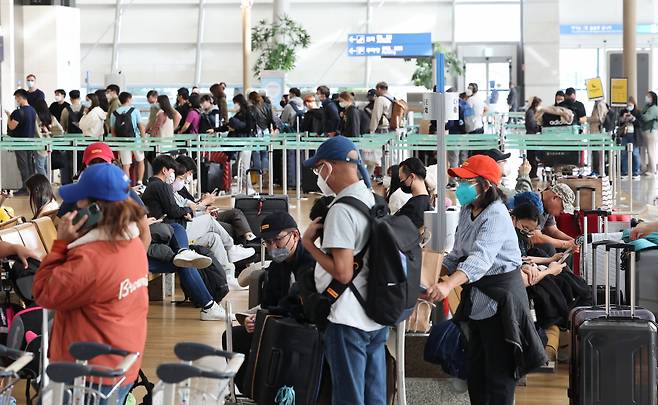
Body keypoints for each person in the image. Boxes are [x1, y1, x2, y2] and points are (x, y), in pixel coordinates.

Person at [424, 155, 546, 405]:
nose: (460, 186)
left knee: (499, 379)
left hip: (501, 303)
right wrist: (431, 276)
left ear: (485, 186)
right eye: (459, 180)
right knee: (477, 374)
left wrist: (448, 284)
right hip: (477, 303)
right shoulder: (467, 211)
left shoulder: (497, 215)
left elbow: (479, 260)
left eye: (466, 181)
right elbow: (457, 254)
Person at [33, 163, 149, 403]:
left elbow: (44, 292)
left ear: (95, 208)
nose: (75, 206)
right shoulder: (133, 245)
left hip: (89, 372)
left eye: (81, 201)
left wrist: (61, 244)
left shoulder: (92, 258)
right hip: (122, 363)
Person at [301, 135, 384, 405]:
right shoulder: (373, 200)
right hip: (375, 312)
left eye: (317, 169)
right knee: (374, 397)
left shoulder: (341, 209)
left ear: (328, 167)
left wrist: (309, 245)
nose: (318, 176)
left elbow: (343, 272)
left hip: (348, 318)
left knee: (348, 397)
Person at [222, 212, 315, 393]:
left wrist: (267, 317)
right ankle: (252, 389)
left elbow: (302, 305)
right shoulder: (276, 266)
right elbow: (268, 303)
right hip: (278, 321)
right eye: (267, 242)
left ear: (295, 235)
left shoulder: (311, 261)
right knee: (232, 336)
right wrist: (254, 318)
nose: (272, 248)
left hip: (304, 324)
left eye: (276, 240)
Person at [141, 155, 228, 320]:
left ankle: (184, 252)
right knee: (185, 255)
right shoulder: (160, 186)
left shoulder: (151, 188)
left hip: (160, 236)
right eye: (174, 171)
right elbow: (173, 210)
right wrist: (187, 211)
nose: (175, 175)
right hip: (156, 240)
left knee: (185, 254)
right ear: (165, 171)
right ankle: (209, 305)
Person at [174, 155, 256, 242]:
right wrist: (204, 203)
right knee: (230, 228)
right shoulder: (176, 188)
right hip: (196, 219)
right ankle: (244, 244)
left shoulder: (181, 188)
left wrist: (202, 204)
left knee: (235, 213)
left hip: (201, 213)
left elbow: (190, 205)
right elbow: (186, 210)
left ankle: (249, 236)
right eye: (189, 173)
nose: (190, 176)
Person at [5, 89, 37, 194]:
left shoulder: (18, 112)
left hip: (20, 143)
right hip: (31, 142)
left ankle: (25, 188)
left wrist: (9, 116)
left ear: (20, 97)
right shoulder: (32, 110)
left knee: (23, 165)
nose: (16, 100)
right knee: (30, 165)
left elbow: (11, 126)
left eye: (16, 97)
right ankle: (32, 188)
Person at [111, 92, 146, 184]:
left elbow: (113, 131)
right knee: (140, 161)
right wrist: (144, 140)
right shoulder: (135, 111)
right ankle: (140, 182)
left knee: (126, 165)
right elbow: (141, 127)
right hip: (136, 141)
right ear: (129, 99)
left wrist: (117, 144)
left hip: (122, 142)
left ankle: (127, 186)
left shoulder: (114, 113)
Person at [229, 94, 256, 195]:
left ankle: (248, 188)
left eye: (235, 103)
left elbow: (249, 127)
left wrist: (236, 128)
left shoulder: (248, 113)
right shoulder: (239, 114)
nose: (234, 106)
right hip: (243, 143)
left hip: (246, 143)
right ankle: (245, 188)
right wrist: (215, 129)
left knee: (244, 166)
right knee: (242, 165)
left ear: (239, 103)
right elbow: (228, 125)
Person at [396, 157, 431, 229]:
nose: (401, 182)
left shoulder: (414, 207)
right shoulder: (427, 201)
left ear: (412, 176)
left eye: (401, 179)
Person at [34, 98, 64, 176]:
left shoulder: (36, 117)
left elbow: (37, 132)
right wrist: (50, 134)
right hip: (49, 143)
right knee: (45, 165)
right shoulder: (50, 117)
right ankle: (47, 182)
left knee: (39, 165)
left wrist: (41, 136)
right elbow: (60, 131)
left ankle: (46, 184)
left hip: (39, 144)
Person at [249, 91, 275, 172]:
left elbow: (250, 121)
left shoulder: (251, 109)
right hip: (266, 131)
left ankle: (258, 174)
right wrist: (274, 128)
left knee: (256, 153)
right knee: (265, 153)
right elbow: (272, 118)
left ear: (251, 99)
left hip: (255, 132)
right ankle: (265, 173)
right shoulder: (268, 106)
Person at [619, 97, 642, 179]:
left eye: (630, 105)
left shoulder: (638, 112)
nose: (629, 106)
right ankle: (624, 172)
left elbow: (640, 124)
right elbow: (619, 123)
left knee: (635, 153)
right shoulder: (623, 112)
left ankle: (636, 172)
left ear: (634, 105)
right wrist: (623, 119)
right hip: (625, 134)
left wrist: (633, 119)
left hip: (634, 135)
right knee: (624, 153)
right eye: (627, 105)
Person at [589, 100, 610, 175]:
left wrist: (587, 119)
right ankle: (597, 170)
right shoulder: (597, 104)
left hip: (597, 132)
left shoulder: (600, 104)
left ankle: (597, 171)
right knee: (595, 152)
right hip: (595, 132)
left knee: (596, 152)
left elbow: (600, 118)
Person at [641, 91, 658, 177]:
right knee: (644, 150)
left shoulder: (654, 108)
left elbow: (645, 117)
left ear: (653, 98)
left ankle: (653, 170)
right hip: (645, 131)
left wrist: (643, 114)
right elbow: (642, 114)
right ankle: (645, 168)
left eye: (649, 96)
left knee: (651, 151)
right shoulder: (647, 107)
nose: (647, 98)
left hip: (651, 132)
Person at [525, 96, 542, 179]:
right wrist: (539, 127)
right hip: (531, 136)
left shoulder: (531, 111)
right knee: (532, 156)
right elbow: (532, 125)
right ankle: (532, 174)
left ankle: (532, 173)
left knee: (532, 156)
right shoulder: (531, 112)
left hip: (532, 136)